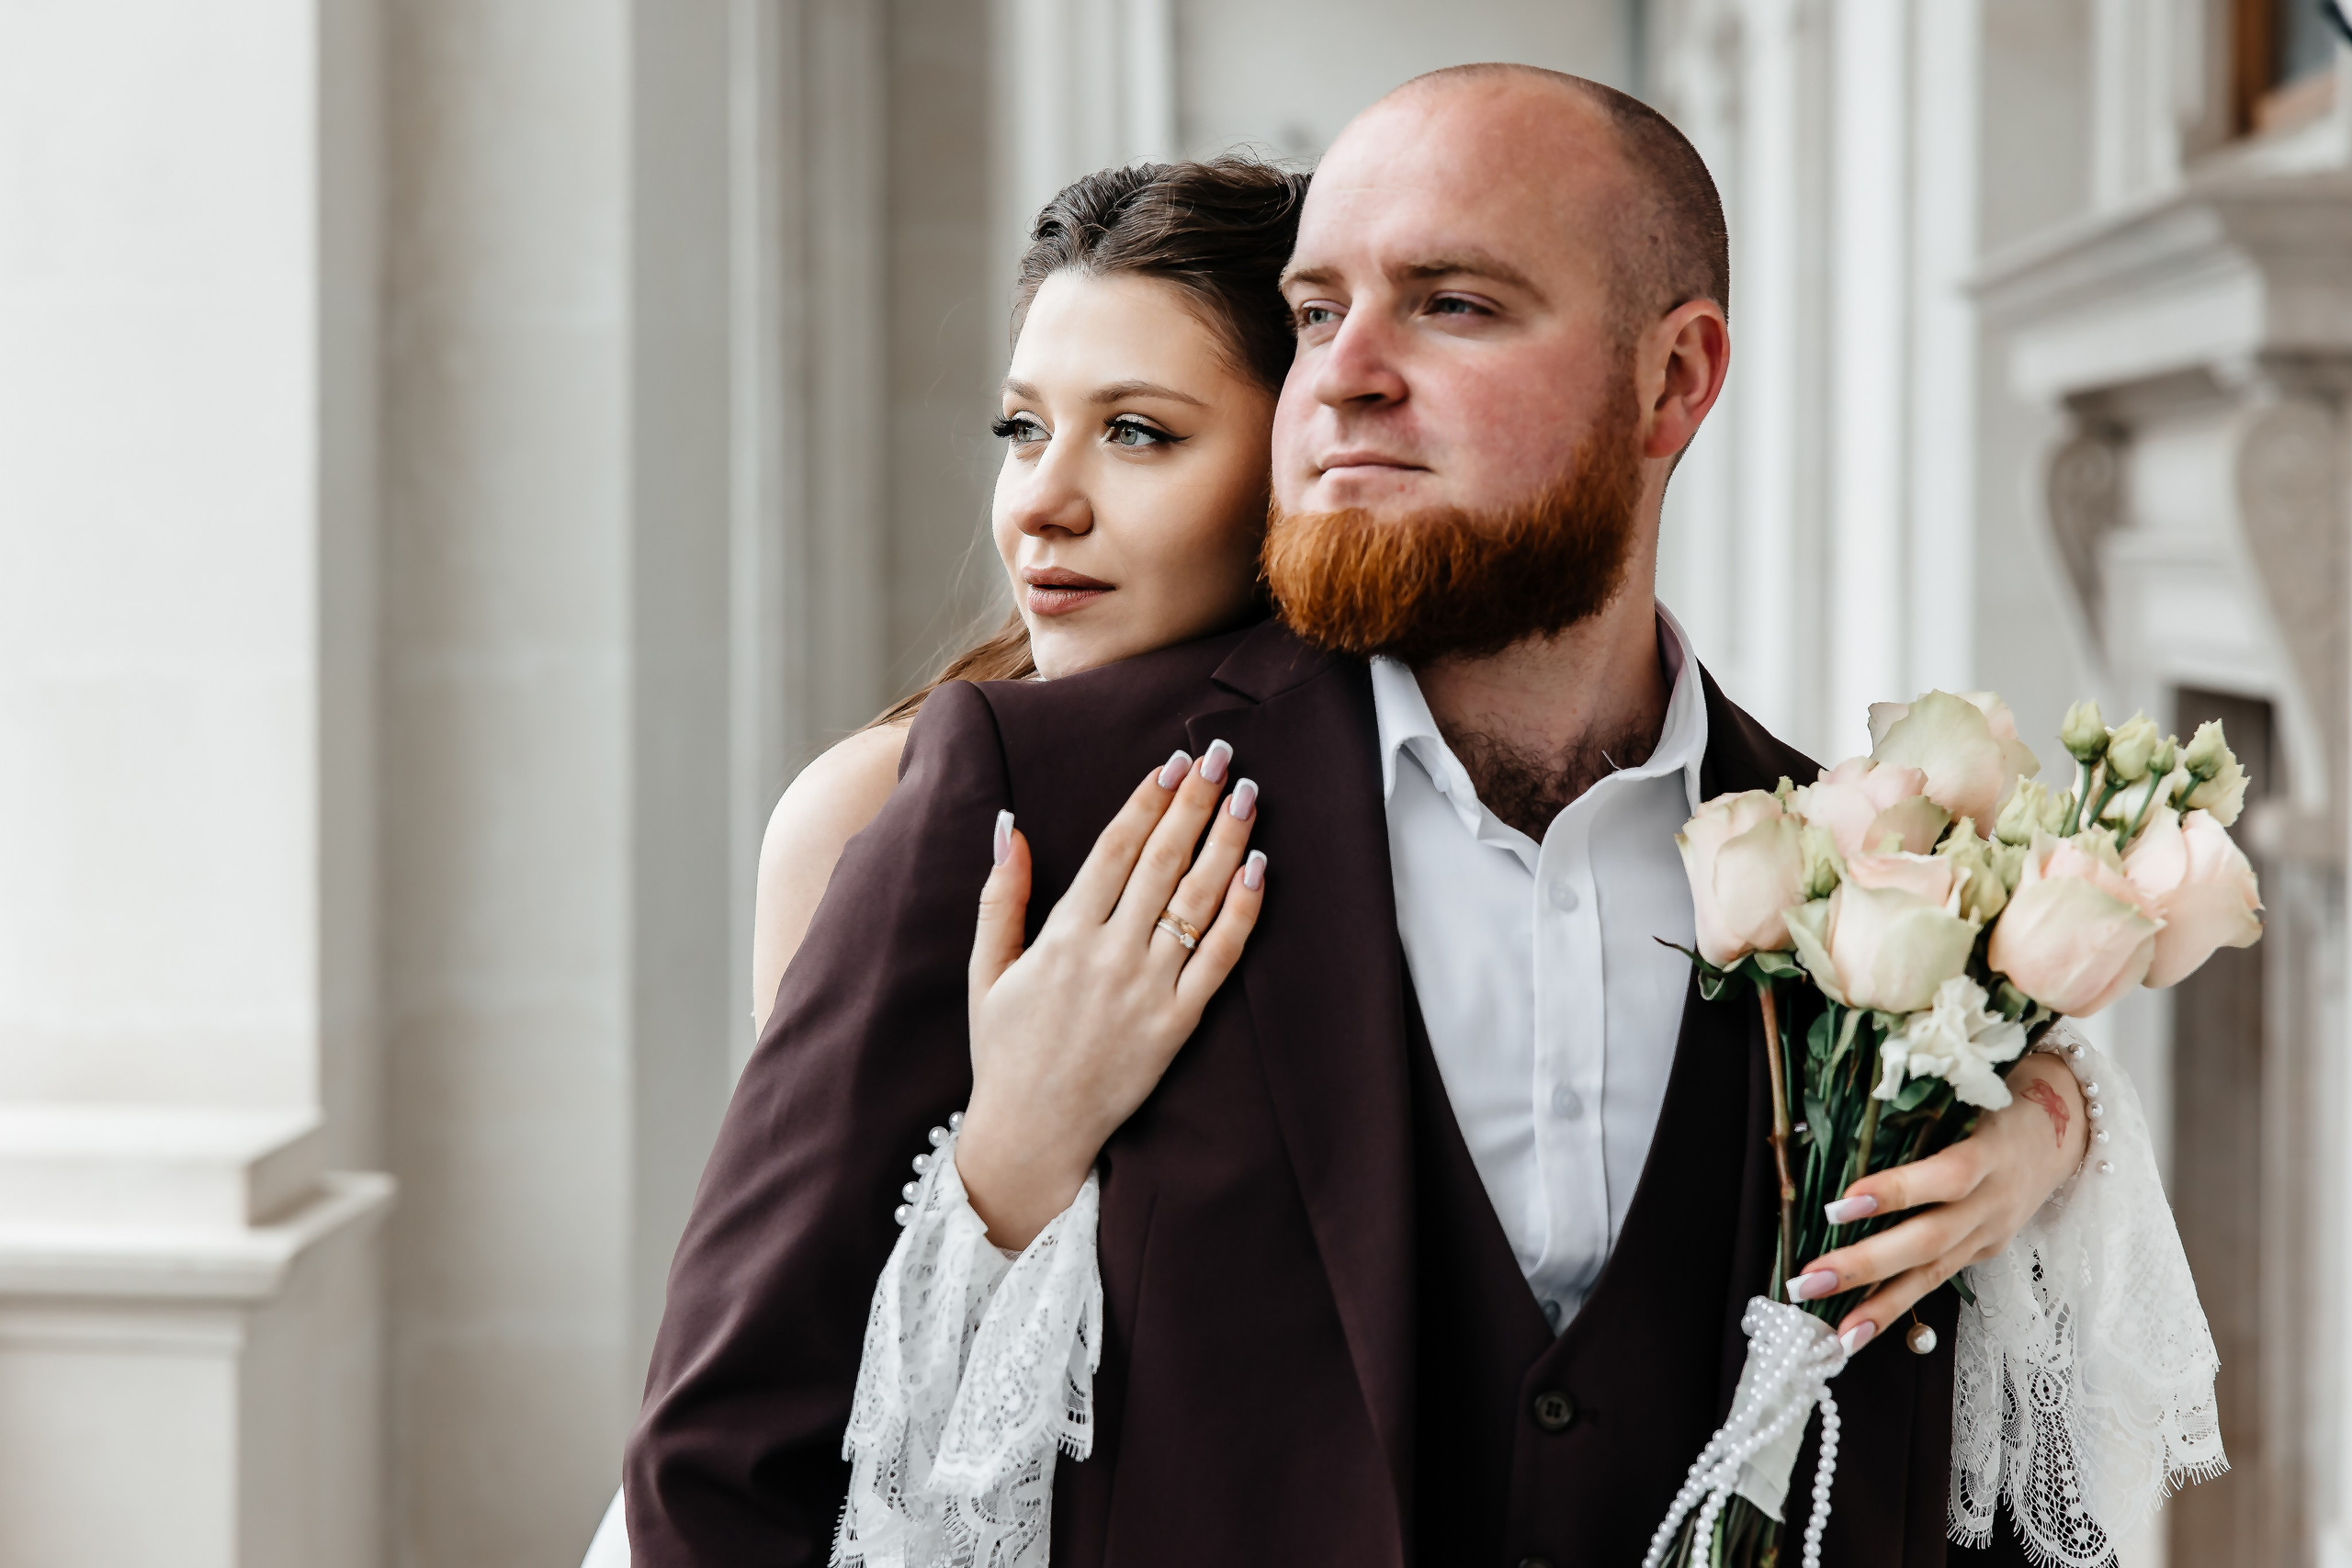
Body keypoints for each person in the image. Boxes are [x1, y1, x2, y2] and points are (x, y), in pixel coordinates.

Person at [627, 70, 2102, 1567]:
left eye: (1453, 304)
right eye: (1318, 314)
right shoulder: (1019, 807)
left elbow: (1998, 1485)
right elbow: (724, 1477)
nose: (1344, 375)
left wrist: (2061, 1117)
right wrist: (1003, 1172)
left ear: (1676, 381)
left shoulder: (1882, 878)